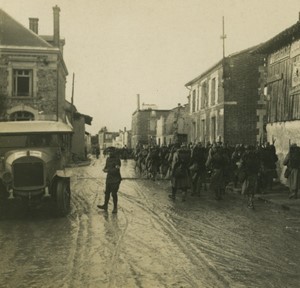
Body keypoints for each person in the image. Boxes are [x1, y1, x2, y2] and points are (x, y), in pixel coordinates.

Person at [97, 148, 122, 213]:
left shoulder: (117, 160)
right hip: (109, 179)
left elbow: (117, 170)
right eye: (109, 152)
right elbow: (106, 167)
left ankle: (115, 208)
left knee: (114, 193)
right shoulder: (108, 159)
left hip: (116, 179)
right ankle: (105, 205)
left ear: (114, 152)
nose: (110, 153)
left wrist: (108, 170)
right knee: (107, 193)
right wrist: (104, 169)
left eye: (111, 152)